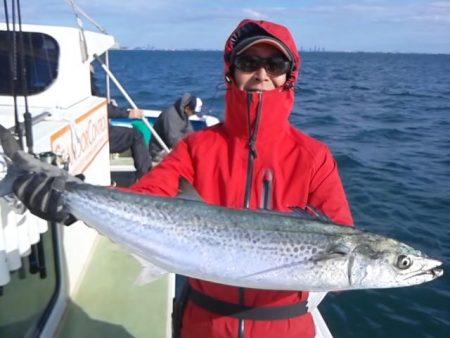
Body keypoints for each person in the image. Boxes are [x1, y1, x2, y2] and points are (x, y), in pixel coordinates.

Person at [14, 19, 353, 338]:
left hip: (284, 329)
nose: (262, 74)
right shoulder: (198, 146)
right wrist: (72, 200)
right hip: (202, 325)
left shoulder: (313, 157)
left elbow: (338, 248)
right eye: (249, 62)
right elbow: (149, 195)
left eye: (275, 66)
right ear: (231, 71)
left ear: (288, 77)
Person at [91, 68, 152, 178]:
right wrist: (129, 114)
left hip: (94, 131)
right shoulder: (87, 84)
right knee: (136, 134)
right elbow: (102, 108)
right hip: (99, 135)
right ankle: (145, 175)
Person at [149, 93, 202, 162]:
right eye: (194, 112)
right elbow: (173, 140)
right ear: (187, 108)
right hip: (160, 150)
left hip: (174, 146)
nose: (194, 114)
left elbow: (189, 132)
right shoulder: (170, 116)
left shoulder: (184, 115)